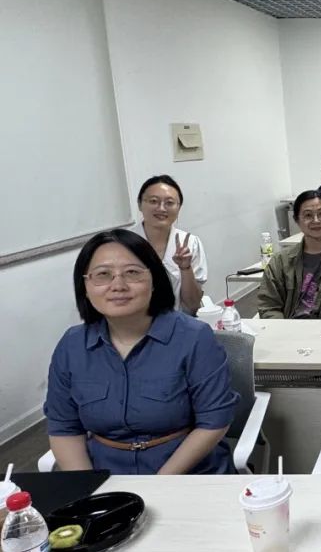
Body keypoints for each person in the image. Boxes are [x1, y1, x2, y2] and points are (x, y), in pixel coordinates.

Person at [45, 229, 237, 475]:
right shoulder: (72, 345)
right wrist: (88, 487)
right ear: (85, 286)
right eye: (103, 275)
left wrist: (158, 484)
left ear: (154, 280)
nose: (118, 286)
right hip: (105, 473)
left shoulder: (194, 337)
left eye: (132, 273)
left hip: (187, 473)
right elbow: (64, 428)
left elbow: (214, 420)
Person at [259, 192, 321, 319]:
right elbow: (268, 306)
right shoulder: (280, 261)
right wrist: (282, 328)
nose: (316, 220)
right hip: (287, 326)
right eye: (308, 215)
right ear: (296, 220)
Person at [134, 175, 207, 314]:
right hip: (134, 323)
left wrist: (185, 268)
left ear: (179, 208)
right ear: (139, 204)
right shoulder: (122, 243)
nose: (161, 208)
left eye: (169, 203)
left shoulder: (190, 243)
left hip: (179, 321)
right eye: (153, 201)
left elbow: (193, 305)